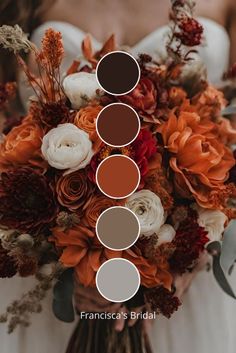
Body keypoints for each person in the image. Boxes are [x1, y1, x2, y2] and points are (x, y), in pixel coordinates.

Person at [0, 1, 236, 353]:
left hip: (186, 283)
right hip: (50, 272)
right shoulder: (22, 4)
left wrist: (194, 246)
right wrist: (54, 259)